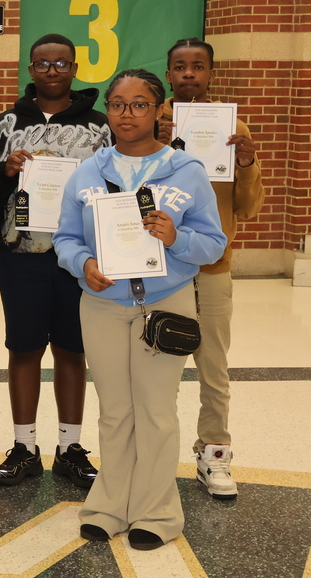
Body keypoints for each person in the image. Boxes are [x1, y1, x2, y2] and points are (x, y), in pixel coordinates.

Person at [54, 68, 226, 550]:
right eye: (117, 104)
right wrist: (83, 263)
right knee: (114, 411)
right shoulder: (87, 173)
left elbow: (213, 244)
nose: (126, 114)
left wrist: (177, 238)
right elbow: (66, 238)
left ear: (158, 110)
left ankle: (157, 512)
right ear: (107, 110)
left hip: (166, 303)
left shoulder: (187, 170)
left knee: (155, 411)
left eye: (139, 104)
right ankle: (108, 506)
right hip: (103, 304)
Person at [0, 34, 111, 488]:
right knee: (24, 349)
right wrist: (5, 172)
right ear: (30, 69)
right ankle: (25, 447)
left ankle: (70, 448)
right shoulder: (7, 124)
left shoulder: (100, 126)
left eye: (61, 63)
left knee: (73, 351)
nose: (52, 70)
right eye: (43, 63)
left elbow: (115, 185)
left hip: (80, 259)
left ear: (74, 68)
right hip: (22, 254)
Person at [159, 37, 264, 500]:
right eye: (180, 66)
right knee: (157, 366)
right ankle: (154, 455)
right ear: (168, 74)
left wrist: (246, 162)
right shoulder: (150, 121)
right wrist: (157, 149)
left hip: (213, 267)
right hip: (161, 267)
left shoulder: (232, 126)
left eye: (197, 66)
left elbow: (249, 207)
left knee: (214, 367)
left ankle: (214, 454)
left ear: (210, 74)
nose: (188, 74)